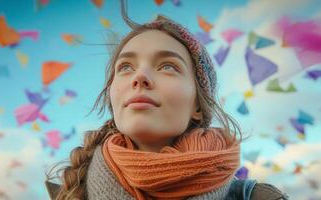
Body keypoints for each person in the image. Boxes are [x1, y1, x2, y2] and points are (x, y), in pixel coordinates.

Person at [45, 1, 289, 199]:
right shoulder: (67, 193)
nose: (140, 76)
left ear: (197, 105)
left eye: (168, 66)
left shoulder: (258, 197)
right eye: (126, 67)